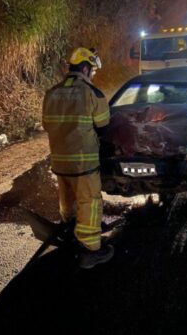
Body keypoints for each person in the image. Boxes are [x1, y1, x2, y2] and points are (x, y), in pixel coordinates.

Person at [42, 47, 113, 269]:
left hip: (60, 162)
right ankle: (91, 250)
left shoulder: (51, 93)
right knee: (89, 202)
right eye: (92, 71)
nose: (92, 75)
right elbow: (103, 125)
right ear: (84, 67)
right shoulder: (92, 93)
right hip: (84, 162)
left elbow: (47, 125)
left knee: (68, 201)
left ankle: (70, 230)